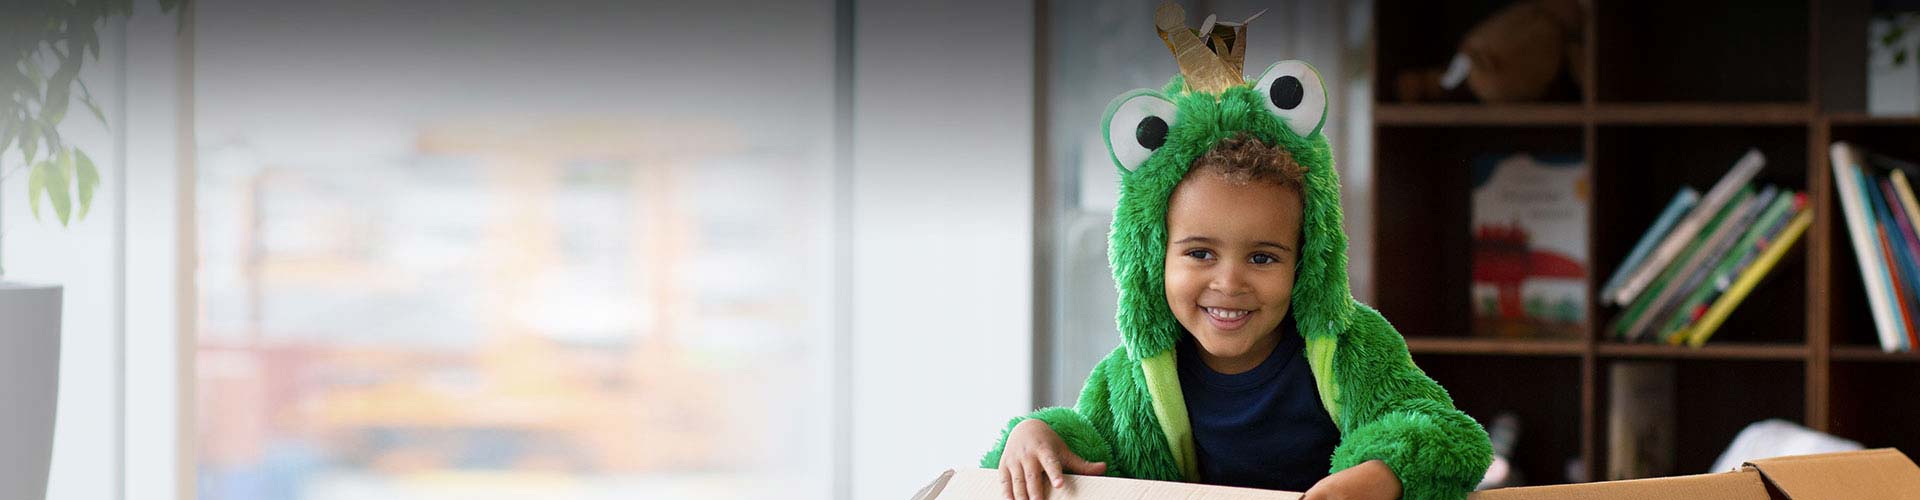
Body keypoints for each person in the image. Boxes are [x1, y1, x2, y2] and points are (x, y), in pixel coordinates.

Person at [980, 5, 1492, 500]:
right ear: (1152, 255)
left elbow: (1443, 431)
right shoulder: (1133, 378)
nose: (1229, 282)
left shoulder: (1352, 350)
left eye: (1263, 258)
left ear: (1307, 261)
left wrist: (1384, 474)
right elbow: (1091, 449)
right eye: (1200, 253)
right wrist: (1034, 434)